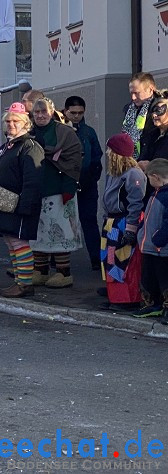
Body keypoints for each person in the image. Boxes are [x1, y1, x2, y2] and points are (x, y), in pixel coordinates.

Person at [0, 103, 45, 298]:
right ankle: (19, 281)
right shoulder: (8, 146)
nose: (11, 124)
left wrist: (25, 206)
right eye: (8, 121)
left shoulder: (30, 147)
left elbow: (33, 180)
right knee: (11, 242)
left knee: (19, 243)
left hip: (19, 205)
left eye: (16, 121)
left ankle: (25, 284)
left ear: (26, 123)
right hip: (5, 204)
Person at [29, 97, 84, 288]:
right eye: (37, 112)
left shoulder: (65, 133)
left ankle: (63, 272)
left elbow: (74, 158)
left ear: (51, 112)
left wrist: (69, 186)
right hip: (36, 191)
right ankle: (40, 270)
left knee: (60, 231)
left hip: (59, 189)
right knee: (38, 232)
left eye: (44, 111)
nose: (40, 115)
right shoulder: (29, 133)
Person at [100, 133, 146, 309]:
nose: (107, 153)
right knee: (111, 260)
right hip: (113, 222)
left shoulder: (133, 174)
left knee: (124, 261)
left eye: (110, 150)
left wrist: (131, 229)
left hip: (124, 222)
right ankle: (116, 297)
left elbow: (136, 203)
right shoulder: (115, 172)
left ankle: (128, 299)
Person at [63, 95, 104, 273]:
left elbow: (97, 155)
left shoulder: (88, 132)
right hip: (66, 182)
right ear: (66, 112)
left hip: (87, 182)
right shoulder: (61, 130)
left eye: (80, 113)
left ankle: (96, 258)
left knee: (89, 221)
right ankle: (58, 260)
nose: (77, 116)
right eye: (73, 113)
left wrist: (94, 174)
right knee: (65, 222)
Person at [135, 158, 168, 320]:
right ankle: (153, 304)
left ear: (155, 177)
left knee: (164, 279)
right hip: (149, 247)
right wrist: (141, 232)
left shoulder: (164, 197)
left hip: (161, 248)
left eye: (148, 178)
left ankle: (165, 307)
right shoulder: (155, 195)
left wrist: (157, 239)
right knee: (149, 277)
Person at [123, 72, 158, 159]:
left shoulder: (160, 110)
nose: (133, 97)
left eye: (137, 93)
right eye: (131, 93)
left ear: (150, 89)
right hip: (131, 161)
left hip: (151, 163)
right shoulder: (129, 109)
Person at [137, 94, 168, 170]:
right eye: (153, 111)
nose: (154, 115)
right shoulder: (149, 136)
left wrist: (151, 166)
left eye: (159, 111)